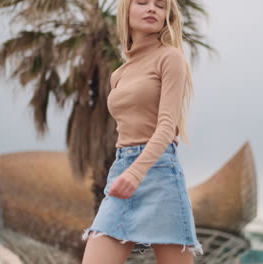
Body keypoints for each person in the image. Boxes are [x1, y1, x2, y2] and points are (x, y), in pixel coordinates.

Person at [81, 0, 203, 263]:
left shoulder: (170, 58)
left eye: (160, 6)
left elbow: (167, 126)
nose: (152, 9)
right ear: (126, 10)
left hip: (159, 173)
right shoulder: (119, 74)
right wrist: (127, 170)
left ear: (167, 16)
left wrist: (137, 172)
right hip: (122, 169)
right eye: (143, 2)